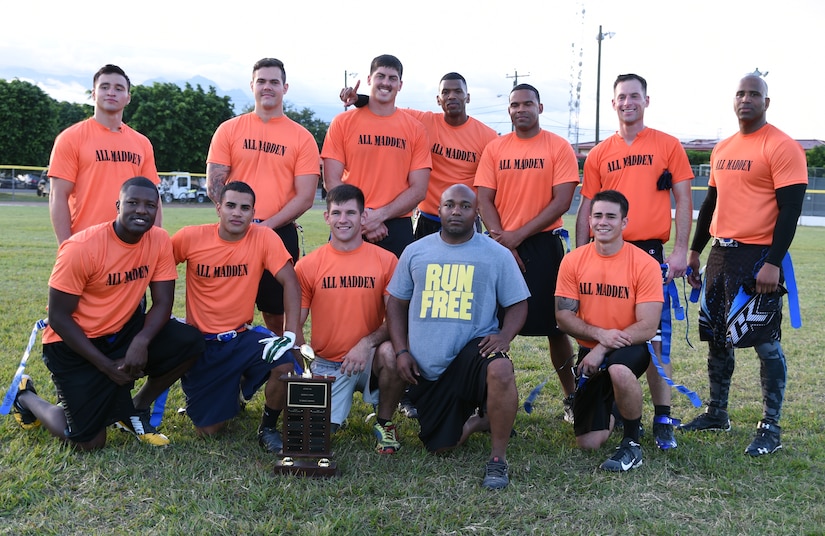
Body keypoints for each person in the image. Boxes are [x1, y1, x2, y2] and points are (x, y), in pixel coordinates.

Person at [11, 177, 203, 450]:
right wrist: (105, 366)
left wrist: (141, 341)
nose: (141, 210)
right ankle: (26, 398)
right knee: (88, 441)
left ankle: (134, 408)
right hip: (74, 344)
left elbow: (162, 302)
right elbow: (59, 318)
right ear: (118, 205)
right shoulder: (81, 248)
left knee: (189, 341)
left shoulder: (159, 240)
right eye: (133, 202)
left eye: (150, 205)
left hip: (123, 332)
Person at [680, 74, 807, 457]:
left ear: (767, 102)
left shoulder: (783, 146)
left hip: (758, 257)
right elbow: (710, 204)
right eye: (740, 93)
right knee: (718, 337)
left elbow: (790, 211)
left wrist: (771, 263)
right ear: (733, 101)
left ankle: (771, 425)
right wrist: (695, 251)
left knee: (766, 343)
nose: (746, 99)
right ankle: (717, 412)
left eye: (754, 94)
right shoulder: (723, 148)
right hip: (721, 253)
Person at [575, 73, 694, 450]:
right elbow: (586, 209)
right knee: (599, 328)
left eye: (634, 96)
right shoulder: (599, 153)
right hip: (605, 252)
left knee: (655, 340)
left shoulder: (667, 145)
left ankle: (662, 417)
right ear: (613, 104)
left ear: (646, 100)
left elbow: (685, 199)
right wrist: (580, 255)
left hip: (649, 253)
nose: (628, 102)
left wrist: (680, 251)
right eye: (621, 97)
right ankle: (607, 406)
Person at [386, 184, 530, 490]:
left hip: (474, 352)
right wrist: (401, 351)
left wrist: (504, 336)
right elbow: (395, 303)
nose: (456, 211)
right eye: (449, 205)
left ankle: (497, 460)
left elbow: (518, 303)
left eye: (465, 206)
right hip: (428, 371)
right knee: (441, 448)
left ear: (476, 212)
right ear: (438, 210)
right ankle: (483, 420)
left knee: (501, 368)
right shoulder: (416, 251)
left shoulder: (496, 254)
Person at [474, 83, 579, 422]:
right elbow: (484, 199)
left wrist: (516, 238)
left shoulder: (558, 147)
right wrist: (502, 240)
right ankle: (484, 402)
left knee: (556, 326)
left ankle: (571, 396)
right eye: (515, 104)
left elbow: (561, 201)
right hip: (498, 243)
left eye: (527, 103)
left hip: (542, 244)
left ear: (540, 107)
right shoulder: (495, 148)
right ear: (509, 110)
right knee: (488, 325)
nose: (521, 109)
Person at [171, 181, 302, 453]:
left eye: (245, 208)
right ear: (218, 208)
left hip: (240, 337)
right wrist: (162, 314)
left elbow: (290, 281)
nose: (237, 213)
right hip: (203, 345)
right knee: (208, 431)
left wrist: (290, 334)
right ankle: (231, 390)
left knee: (284, 363)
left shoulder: (263, 237)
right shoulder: (190, 237)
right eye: (230, 205)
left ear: (253, 212)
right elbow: (157, 267)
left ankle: (267, 427)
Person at [206, 57, 320, 335]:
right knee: (229, 310)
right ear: (252, 86)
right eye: (261, 81)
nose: (267, 87)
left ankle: (282, 368)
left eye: (274, 82)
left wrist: (264, 228)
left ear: (285, 87)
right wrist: (239, 221)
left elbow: (305, 196)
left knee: (277, 313)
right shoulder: (229, 129)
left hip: (278, 234)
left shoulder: (302, 137)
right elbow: (214, 185)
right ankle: (231, 366)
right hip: (233, 232)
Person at [555, 190, 663, 471]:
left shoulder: (644, 264)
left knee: (618, 370)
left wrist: (604, 345)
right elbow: (563, 317)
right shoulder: (573, 260)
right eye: (598, 215)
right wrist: (600, 337)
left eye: (611, 216)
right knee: (588, 442)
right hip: (590, 350)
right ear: (589, 219)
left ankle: (631, 443)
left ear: (624, 223)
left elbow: (648, 326)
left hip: (629, 347)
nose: (603, 222)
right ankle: (616, 406)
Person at [294, 184, 406, 452]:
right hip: (328, 364)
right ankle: (332, 412)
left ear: (363, 216)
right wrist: (306, 372)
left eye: (351, 213)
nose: (343, 220)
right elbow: (294, 325)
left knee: (392, 352)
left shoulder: (386, 260)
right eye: (336, 213)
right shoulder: (309, 265)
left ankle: (385, 421)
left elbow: (397, 320)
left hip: (371, 359)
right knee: (315, 439)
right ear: (326, 217)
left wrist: (366, 344)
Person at [340, 72, 498, 238]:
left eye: (458, 91)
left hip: (466, 221)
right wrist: (358, 99)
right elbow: (388, 110)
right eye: (445, 92)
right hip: (428, 220)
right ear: (438, 99)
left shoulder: (488, 136)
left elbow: (491, 190)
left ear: (468, 97)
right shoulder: (423, 122)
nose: (452, 96)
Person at [322, 54, 431, 257]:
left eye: (392, 78)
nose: (386, 83)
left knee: (393, 290)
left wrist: (379, 216)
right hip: (349, 222)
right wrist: (363, 218)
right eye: (380, 76)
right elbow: (331, 180)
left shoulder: (415, 129)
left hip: (396, 226)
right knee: (341, 288)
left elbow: (419, 189)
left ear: (400, 84)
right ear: (369, 79)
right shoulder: (342, 122)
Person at [48, 64, 161, 244]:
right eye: (104, 86)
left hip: (131, 243)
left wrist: (154, 241)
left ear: (128, 97)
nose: (111, 92)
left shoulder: (142, 142)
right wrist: (66, 246)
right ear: (93, 94)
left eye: (119, 88)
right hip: (86, 240)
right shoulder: (71, 138)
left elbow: (153, 196)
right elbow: (58, 195)